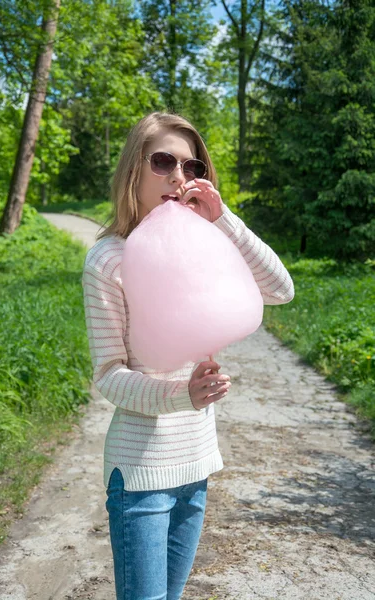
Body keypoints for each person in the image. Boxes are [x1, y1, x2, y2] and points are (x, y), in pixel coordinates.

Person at [82, 111, 294, 600]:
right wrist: (185, 395)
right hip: (140, 475)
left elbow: (280, 290)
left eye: (193, 167)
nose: (180, 178)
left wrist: (223, 220)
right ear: (134, 168)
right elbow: (109, 376)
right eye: (164, 161)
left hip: (197, 466)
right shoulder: (109, 258)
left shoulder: (204, 240)